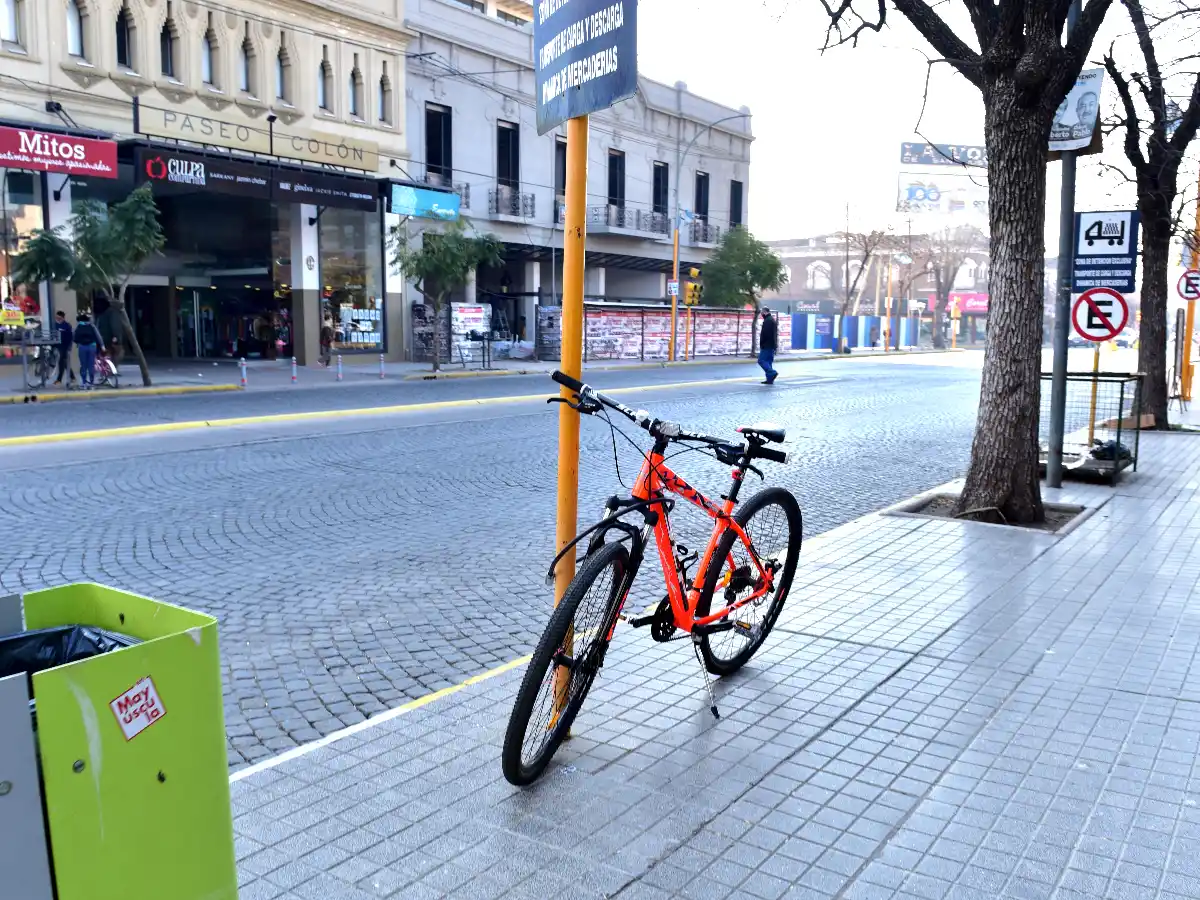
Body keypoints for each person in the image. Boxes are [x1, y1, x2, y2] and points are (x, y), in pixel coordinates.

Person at [73, 312, 105, 390]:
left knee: (83, 365)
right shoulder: (92, 326)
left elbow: (74, 337)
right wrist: (102, 345)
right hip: (92, 346)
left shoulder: (79, 326)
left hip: (82, 347)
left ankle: (84, 383)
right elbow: (98, 336)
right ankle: (92, 383)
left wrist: (78, 343)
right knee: (91, 365)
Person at [52, 310, 76, 387]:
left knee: (61, 362)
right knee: (64, 363)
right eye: (56, 317)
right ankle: (72, 377)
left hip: (64, 346)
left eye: (59, 318)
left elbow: (70, 338)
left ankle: (59, 379)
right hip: (56, 345)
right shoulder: (54, 325)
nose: (57, 319)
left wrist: (69, 348)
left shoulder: (67, 326)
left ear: (63, 318)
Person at [758, 308, 779, 385]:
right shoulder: (772, 320)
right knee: (768, 362)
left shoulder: (768, 321)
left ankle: (772, 373)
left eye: (762, 312)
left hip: (767, 345)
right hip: (772, 345)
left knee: (761, 360)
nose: (761, 314)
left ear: (764, 312)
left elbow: (765, 334)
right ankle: (770, 379)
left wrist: (762, 343)